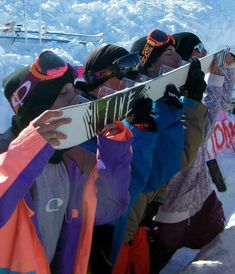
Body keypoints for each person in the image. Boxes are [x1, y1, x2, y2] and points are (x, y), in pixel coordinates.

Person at [0, 50, 133, 274]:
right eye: (64, 93)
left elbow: (110, 206)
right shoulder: (6, 155)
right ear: (37, 110)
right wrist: (30, 147)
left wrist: (113, 147)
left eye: (73, 90)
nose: (78, 100)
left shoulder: (71, 159)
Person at [109, 29, 208, 274]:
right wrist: (191, 102)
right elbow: (174, 161)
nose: (179, 60)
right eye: (170, 54)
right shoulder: (138, 106)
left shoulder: (163, 100)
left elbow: (175, 159)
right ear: (150, 66)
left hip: (137, 224)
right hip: (119, 230)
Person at [149, 32, 235, 273]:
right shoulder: (167, 104)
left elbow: (218, 109)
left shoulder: (192, 87)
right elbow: (201, 131)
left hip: (202, 200)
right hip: (171, 213)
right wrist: (217, 80)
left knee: (223, 255)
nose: (204, 50)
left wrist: (225, 72)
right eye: (198, 47)